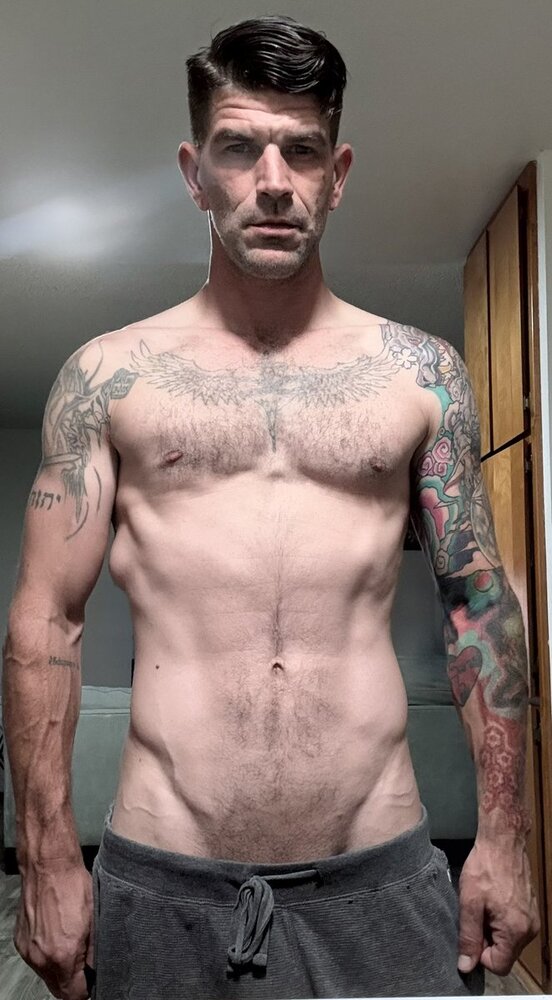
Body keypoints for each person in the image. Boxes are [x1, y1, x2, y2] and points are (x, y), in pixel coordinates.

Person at [2, 14, 540, 1000]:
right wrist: (44, 857)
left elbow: (478, 608)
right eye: (239, 148)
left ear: (339, 173)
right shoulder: (108, 378)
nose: (273, 180)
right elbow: (45, 620)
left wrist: (506, 835)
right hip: (164, 878)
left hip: (379, 873)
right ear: (193, 172)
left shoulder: (421, 375)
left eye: (302, 150)